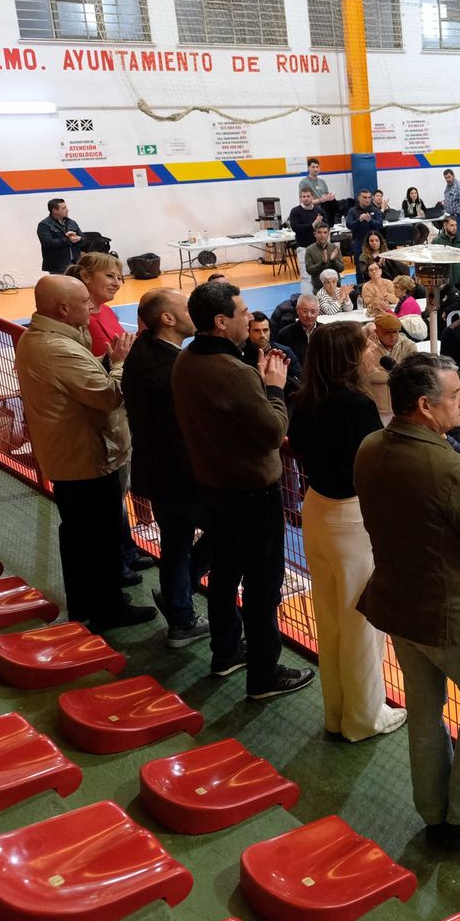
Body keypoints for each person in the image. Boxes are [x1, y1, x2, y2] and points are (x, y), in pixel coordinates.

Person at [354, 354, 460, 848]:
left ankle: (433, 811)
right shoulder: (446, 468)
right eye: (455, 396)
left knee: (424, 711)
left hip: (399, 606)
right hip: (453, 616)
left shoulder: (370, 447)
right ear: (425, 406)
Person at [171, 282, 313, 699]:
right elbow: (272, 432)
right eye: (243, 312)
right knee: (263, 584)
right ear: (221, 321)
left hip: (213, 485)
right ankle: (264, 674)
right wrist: (274, 387)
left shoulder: (186, 359)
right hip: (252, 491)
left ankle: (227, 651)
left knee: (224, 573)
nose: (250, 317)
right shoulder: (234, 372)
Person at [286, 323, 406, 742]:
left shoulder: (304, 400)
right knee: (362, 622)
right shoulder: (357, 405)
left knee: (331, 617)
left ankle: (337, 711)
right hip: (352, 516)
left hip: (317, 509)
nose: (371, 350)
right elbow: (376, 463)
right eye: (364, 345)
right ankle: (364, 716)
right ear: (349, 357)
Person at [15, 274, 155, 632]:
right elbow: (108, 396)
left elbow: (80, 381)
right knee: (97, 536)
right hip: (85, 457)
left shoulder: (41, 338)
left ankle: (90, 604)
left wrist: (106, 362)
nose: (91, 306)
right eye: (83, 302)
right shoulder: (56, 348)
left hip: (70, 454)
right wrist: (121, 363)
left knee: (83, 535)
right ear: (63, 309)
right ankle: (106, 609)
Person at [37, 197, 84, 274]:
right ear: (55, 211)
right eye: (64, 208)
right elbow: (47, 243)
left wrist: (79, 238)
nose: (67, 210)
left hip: (75, 263)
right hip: (58, 265)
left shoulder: (71, 222)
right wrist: (68, 240)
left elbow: (84, 238)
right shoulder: (44, 225)